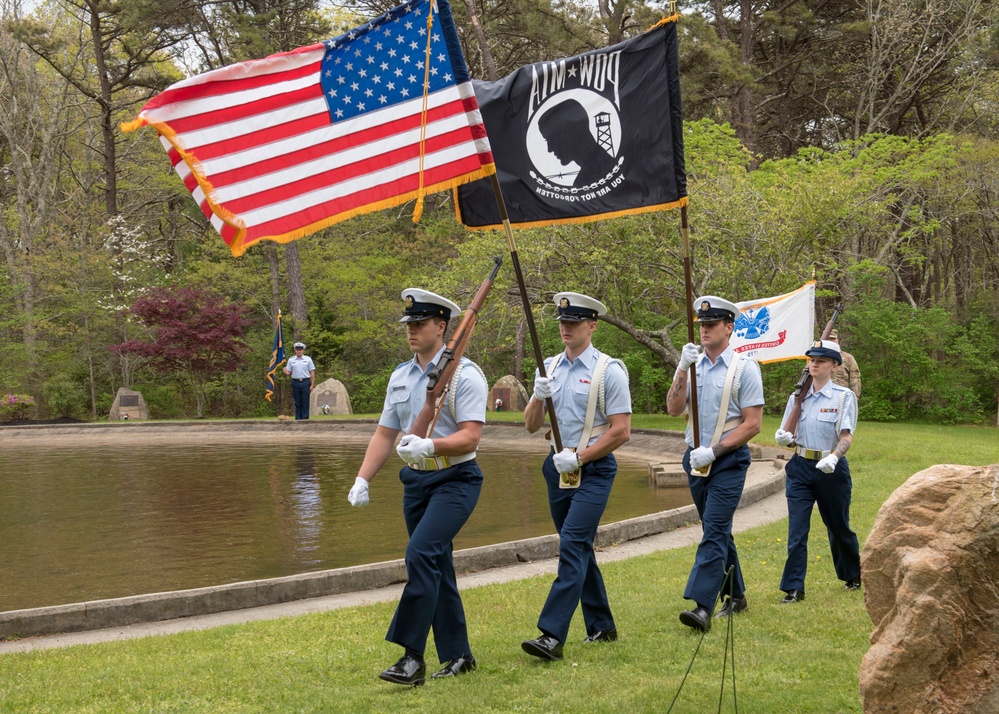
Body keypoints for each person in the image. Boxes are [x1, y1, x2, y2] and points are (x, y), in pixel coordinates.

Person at [345, 289, 487, 686]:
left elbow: (471, 438)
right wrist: (362, 477)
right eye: (408, 324)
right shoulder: (401, 376)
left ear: (441, 327)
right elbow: (385, 433)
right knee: (438, 565)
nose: (411, 330)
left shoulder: (466, 375)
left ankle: (412, 656)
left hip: (455, 479)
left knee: (420, 554)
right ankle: (459, 655)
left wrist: (431, 444)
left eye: (420, 324)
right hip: (416, 482)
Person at [520, 292, 632, 662]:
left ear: (592, 326)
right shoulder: (549, 366)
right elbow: (531, 426)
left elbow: (620, 431)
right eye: (562, 323)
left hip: (594, 470)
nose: (565, 328)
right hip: (555, 470)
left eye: (573, 322)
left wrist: (580, 457)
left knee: (570, 545)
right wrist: (537, 397)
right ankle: (602, 626)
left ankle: (551, 634)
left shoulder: (608, 371)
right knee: (579, 547)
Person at [665, 296, 764, 633]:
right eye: (702, 325)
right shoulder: (692, 365)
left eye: (711, 324)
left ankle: (702, 606)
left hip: (728, 460)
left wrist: (716, 450)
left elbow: (752, 424)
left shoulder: (744, 368)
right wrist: (681, 367)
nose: (704, 329)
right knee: (715, 529)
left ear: (729, 327)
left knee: (716, 529)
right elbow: (673, 409)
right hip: (694, 459)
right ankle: (736, 596)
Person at [774, 340, 861, 603]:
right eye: (811, 359)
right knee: (797, 529)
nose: (814, 364)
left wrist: (834, 457)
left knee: (838, 526)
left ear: (835, 366)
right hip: (800, 466)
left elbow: (846, 437)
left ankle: (852, 574)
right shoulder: (797, 397)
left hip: (830, 469)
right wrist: (784, 439)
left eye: (821, 361)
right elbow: (791, 436)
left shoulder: (844, 398)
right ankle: (794, 587)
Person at [283, 342, 315, 420]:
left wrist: (312, 384)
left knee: (305, 401)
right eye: (297, 350)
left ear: (303, 350)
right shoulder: (291, 360)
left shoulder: (308, 359)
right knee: (297, 402)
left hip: (305, 382)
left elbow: (312, 372)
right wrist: (285, 371)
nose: (299, 351)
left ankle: (305, 419)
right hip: (295, 382)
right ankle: (298, 419)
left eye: (300, 350)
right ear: (295, 350)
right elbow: (289, 372)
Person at [828, 329, 861, 399]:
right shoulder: (819, 359)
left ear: (837, 341)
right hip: (824, 397)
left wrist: (854, 398)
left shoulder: (848, 358)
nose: (830, 341)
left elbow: (855, 378)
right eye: (828, 339)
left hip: (842, 398)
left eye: (833, 339)